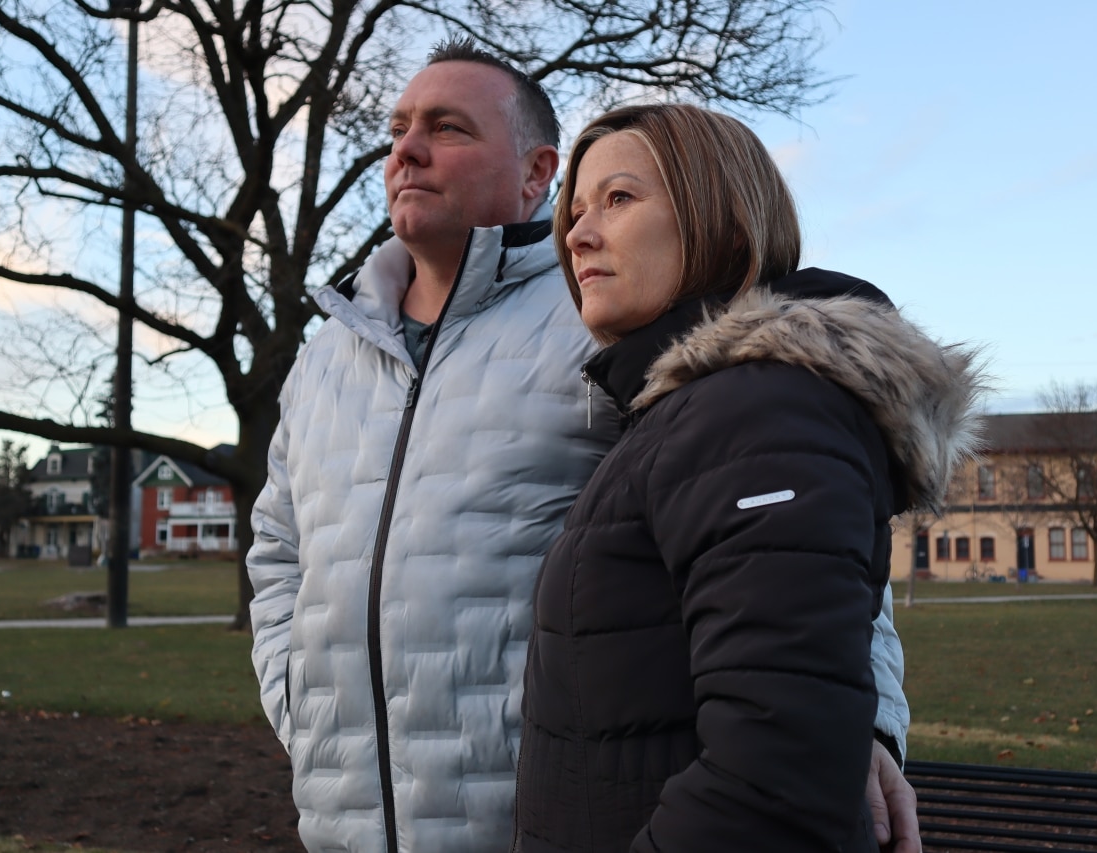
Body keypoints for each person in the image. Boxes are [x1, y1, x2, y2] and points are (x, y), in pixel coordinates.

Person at [248, 41, 921, 853]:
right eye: (398, 127)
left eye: (447, 127)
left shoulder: (613, 316)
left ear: (537, 174)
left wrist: (869, 725)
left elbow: (804, 544)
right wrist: (300, 701)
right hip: (342, 825)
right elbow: (278, 549)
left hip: (555, 823)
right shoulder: (327, 353)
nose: (407, 148)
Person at [511, 104, 983, 852]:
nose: (576, 233)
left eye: (619, 198)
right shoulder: (690, 413)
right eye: (573, 211)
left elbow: (778, 774)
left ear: (724, 221)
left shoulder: (758, 408)